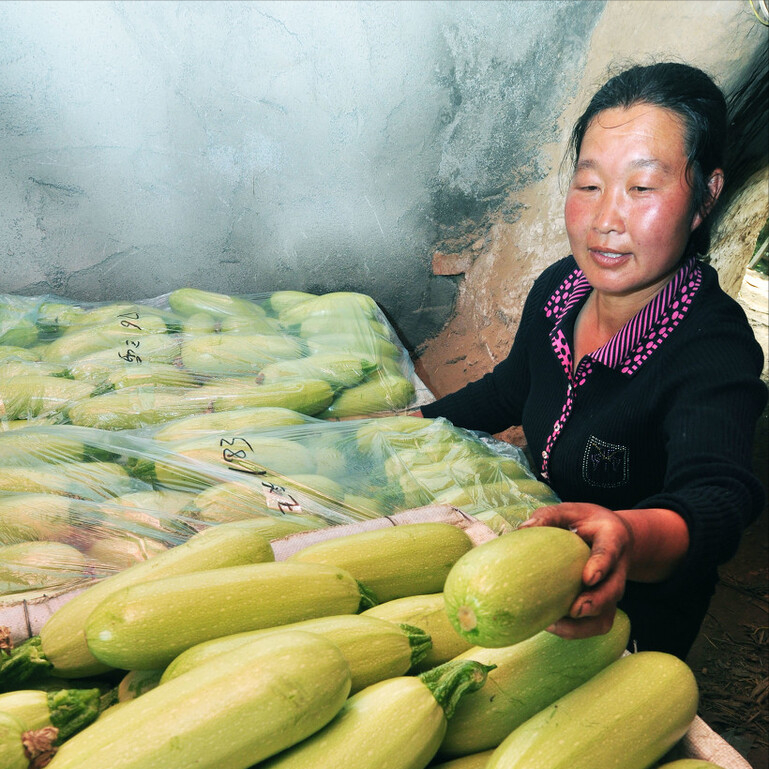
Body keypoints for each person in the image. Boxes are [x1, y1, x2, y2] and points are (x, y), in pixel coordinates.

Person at [417, 61, 767, 659]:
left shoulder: (713, 348)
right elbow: (511, 387)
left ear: (706, 196)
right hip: (537, 559)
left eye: (642, 187)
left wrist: (625, 536)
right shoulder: (560, 289)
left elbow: (718, 494)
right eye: (589, 185)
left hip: (629, 613)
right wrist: (409, 426)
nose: (606, 221)